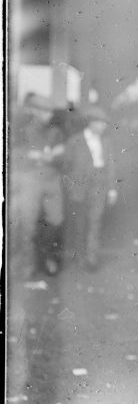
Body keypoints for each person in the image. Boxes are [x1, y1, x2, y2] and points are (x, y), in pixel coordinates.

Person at [10, 93, 67, 283]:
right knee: (28, 224)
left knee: (56, 221)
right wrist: (30, 155)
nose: (49, 115)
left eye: (50, 112)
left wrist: (57, 154)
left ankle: (49, 257)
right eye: (45, 111)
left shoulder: (56, 131)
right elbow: (12, 153)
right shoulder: (23, 130)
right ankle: (29, 264)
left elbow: (63, 152)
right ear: (35, 111)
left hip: (52, 179)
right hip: (30, 180)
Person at [63, 105, 118, 271]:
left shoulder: (106, 142)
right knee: (80, 223)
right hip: (80, 186)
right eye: (101, 123)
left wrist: (112, 189)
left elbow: (111, 166)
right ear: (91, 123)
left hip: (99, 183)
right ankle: (80, 256)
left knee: (95, 221)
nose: (104, 126)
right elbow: (66, 167)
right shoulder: (75, 141)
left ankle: (91, 258)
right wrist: (71, 187)